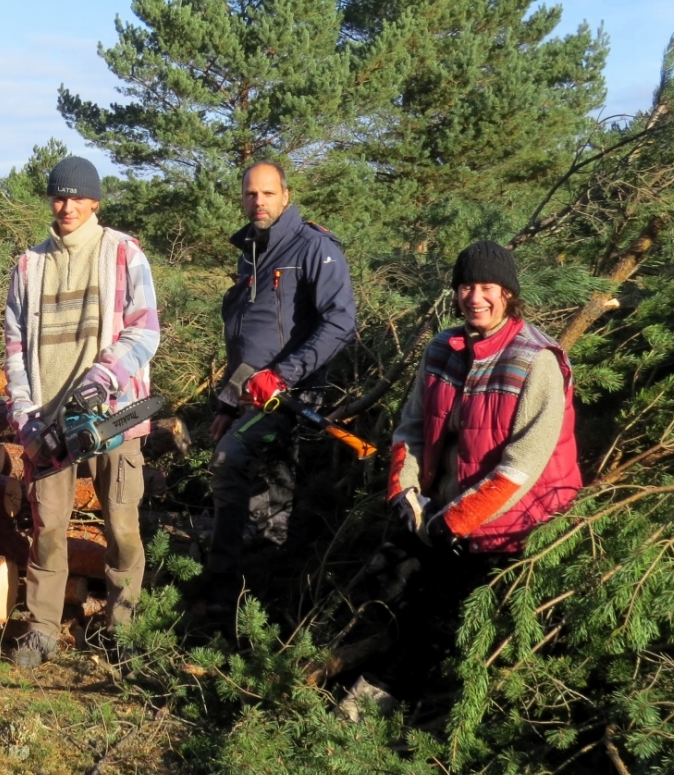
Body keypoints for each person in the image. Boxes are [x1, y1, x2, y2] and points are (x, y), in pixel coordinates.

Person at [3, 156, 161, 668]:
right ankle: (42, 628)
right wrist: (25, 413)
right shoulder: (29, 264)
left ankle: (124, 628)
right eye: (58, 196)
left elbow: (145, 329)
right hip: (48, 421)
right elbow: (13, 346)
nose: (67, 206)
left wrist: (104, 377)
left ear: (94, 201)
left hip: (115, 414)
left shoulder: (122, 251)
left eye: (76, 197)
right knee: (47, 528)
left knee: (122, 525)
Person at [201, 160, 357, 613]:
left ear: (286, 196)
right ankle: (251, 594)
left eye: (268, 193)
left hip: (291, 396)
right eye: (251, 194)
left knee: (236, 464)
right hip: (251, 393)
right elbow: (247, 339)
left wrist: (286, 376)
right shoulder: (251, 249)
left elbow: (342, 322)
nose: (258, 201)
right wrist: (227, 403)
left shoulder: (314, 247)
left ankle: (231, 592)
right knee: (256, 482)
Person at [388, 241, 581, 553]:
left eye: (487, 287)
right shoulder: (440, 349)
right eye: (466, 287)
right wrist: (405, 492)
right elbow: (412, 427)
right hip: (440, 515)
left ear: (508, 293)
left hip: (517, 529)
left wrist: (457, 521)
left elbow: (524, 464)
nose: (475, 298)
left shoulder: (536, 360)